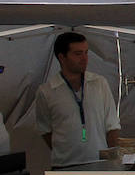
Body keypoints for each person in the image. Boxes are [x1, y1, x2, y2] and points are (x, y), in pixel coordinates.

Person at [35, 31, 121, 167]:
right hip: (64, 165)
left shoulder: (99, 83)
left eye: (86, 52)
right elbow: (45, 130)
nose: (84, 58)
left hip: (99, 163)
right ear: (62, 57)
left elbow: (112, 126)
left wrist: (113, 161)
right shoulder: (47, 91)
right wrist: (66, 150)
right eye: (78, 54)